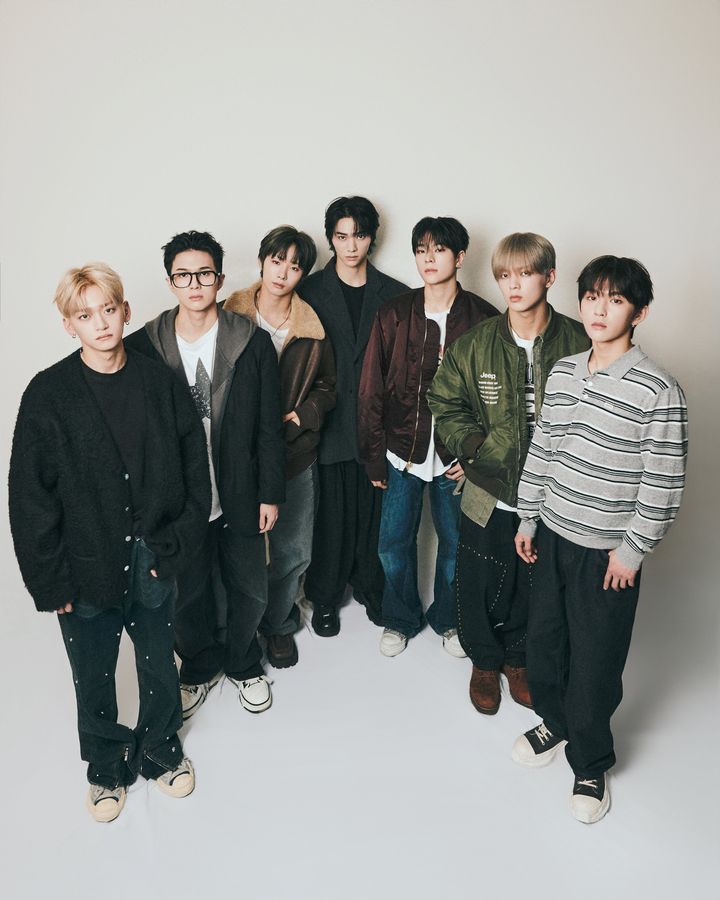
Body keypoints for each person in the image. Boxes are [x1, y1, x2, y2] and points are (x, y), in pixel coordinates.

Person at [9, 263, 211, 822]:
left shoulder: (158, 382)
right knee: (93, 671)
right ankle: (104, 763)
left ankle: (161, 748)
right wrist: (49, 580)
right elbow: (29, 496)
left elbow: (195, 470)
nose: (100, 323)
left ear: (125, 311)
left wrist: (177, 543)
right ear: (68, 325)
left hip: (154, 555)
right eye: (84, 315)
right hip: (84, 565)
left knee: (158, 663)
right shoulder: (48, 394)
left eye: (108, 310)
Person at [512, 255, 688, 824]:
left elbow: (663, 481)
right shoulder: (564, 372)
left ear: (640, 312)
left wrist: (632, 551)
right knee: (545, 643)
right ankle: (555, 722)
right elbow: (544, 449)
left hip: (607, 555)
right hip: (551, 537)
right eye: (591, 296)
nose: (599, 309)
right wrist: (528, 518)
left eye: (615, 300)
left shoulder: (658, 389)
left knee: (594, 660)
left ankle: (589, 761)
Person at [427, 233, 589, 713]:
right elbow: (443, 399)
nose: (513, 285)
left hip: (555, 492)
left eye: (525, 274)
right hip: (488, 486)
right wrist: (474, 447)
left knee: (533, 579)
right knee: (477, 574)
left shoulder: (580, 341)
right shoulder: (476, 343)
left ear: (549, 277)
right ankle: (483, 660)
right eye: (504, 276)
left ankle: (518, 658)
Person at [125, 231, 285, 718]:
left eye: (204, 273)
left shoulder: (251, 342)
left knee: (249, 585)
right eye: (183, 275)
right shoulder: (145, 345)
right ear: (170, 282)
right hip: (179, 498)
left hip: (240, 487)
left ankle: (243, 662)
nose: (194, 284)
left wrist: (270, 493)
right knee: (187, 590)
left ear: (219, 277)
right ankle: (196, 666)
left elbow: (268, 426)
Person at [358, 216, 498, 657]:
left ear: (460, 257)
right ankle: (400, 618)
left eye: (439, 250)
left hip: (456, 459)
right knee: (391, 544)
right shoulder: (394, 313)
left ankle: (449, 620)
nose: (429, 259)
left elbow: (498, 402)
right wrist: (374, 454)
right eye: (421, 250)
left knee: (456, 546)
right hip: (401, 453)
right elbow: (371, 388)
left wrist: (477, 457)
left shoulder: (484, 318)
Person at [224, 225, 335, 668]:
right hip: (235, 454)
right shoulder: (228, 314)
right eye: (276, 260)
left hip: (293, 452)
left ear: (303, 274)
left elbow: (328, 386)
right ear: (262, 261)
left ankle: (278, 624)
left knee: (293, 549)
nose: (283, 272)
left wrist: (302, 416)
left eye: (294, 266)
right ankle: (237, 627)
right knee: (238, 549)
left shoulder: (312, 327)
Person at [299, 196, 409, 636]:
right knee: (329, 517)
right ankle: (325, 597)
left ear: (371, 238)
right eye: (341, 236)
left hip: (378, 424)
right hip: (326, 423)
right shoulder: (308, 291)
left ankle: (372, 587)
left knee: (376, 515)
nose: (350, 246)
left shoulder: (396, 294)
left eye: (359, 236)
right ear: (330, 239)